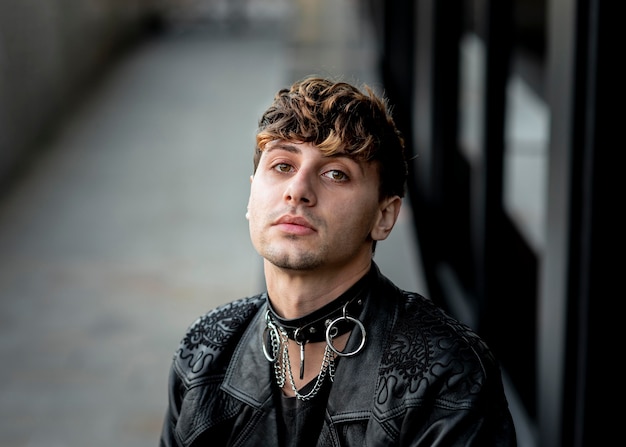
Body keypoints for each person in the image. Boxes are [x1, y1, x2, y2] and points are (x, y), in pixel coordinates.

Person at [159, 76, 517, 446]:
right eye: (282, 166)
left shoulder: (448, 375)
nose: (297, 190)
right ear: (251, 197)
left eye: (335, 173)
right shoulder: (204, 350)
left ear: (384, 217)